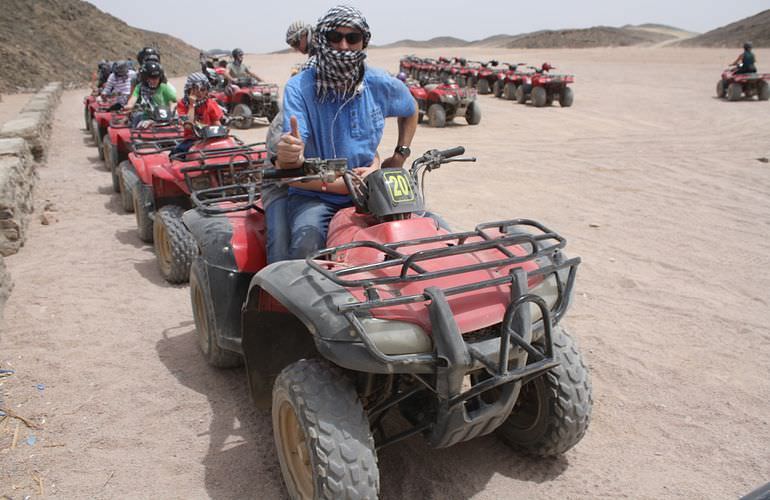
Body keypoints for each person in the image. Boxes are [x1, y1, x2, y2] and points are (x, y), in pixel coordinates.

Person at [272, 5, 418, 261]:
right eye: (334, 37)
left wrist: (400, 155)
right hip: (317, 196)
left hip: (370, 189)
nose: (343, 46)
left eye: (352, 38)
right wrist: (289, 154)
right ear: (321, 40)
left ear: (363, 42)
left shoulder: (378, 82)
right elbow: (292, 164)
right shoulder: (300, 88)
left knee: (422, 238)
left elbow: (411, 108)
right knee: (307, 252)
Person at [173, 72, 225, 155]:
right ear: (189, 89)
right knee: (175, 154)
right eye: (195, 89)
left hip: (209, 138)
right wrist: (191, 105)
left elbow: (217, 124)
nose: (200, 92)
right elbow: (188, 126)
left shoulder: (210, 103)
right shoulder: (182, 104)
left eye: (203, 89)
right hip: (191, 139)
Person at [124, 61, 177, 127]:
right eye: (151, 78)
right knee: (140, 124)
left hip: (166, 119)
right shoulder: (139, 87)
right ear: (145, 78)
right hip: (147, 118)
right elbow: (132, 102)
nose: (154, 80)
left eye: (157, 77)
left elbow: (173, 101)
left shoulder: (164, 87)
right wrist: (127, 106)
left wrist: (171, 112)